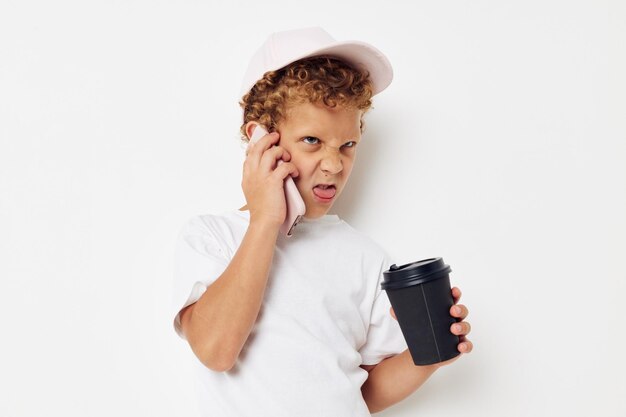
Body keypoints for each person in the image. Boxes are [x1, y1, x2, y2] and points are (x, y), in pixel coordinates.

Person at [171, 27, 473, 416]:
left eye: (347, 145)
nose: (334, 165)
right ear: (260, 139)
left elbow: (365, 390)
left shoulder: (365, 258)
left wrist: (427, 356)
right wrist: (265, 219)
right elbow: (215, 351)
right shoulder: (213, 237)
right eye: (312, 141)